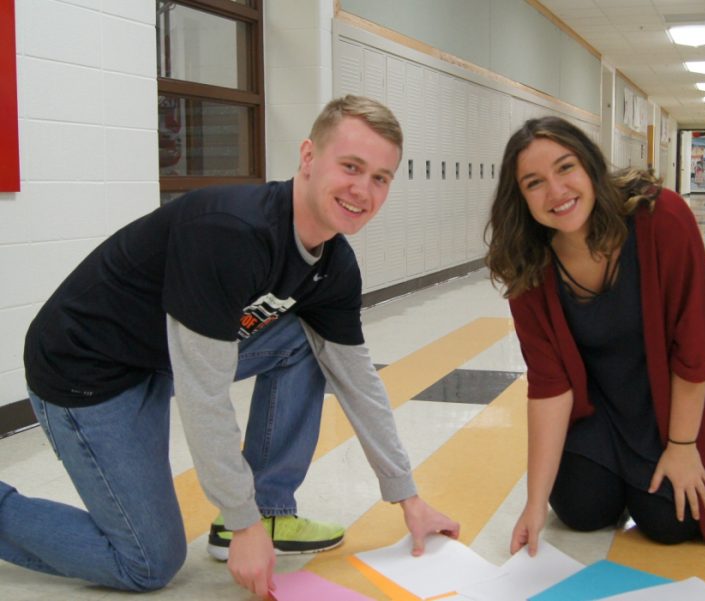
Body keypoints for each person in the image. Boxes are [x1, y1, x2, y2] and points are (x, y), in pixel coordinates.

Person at [0, 95, 459, 597]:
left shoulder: (335, 266)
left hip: (154, 357)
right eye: (351, 166)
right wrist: (243, 525)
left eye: (380, 178)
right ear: (308, 157)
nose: (362, 190)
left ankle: (270, 508)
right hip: (85, 371)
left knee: (308, 342)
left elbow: (358, 382)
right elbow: (205, 394)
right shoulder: (230, 233)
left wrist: (407, 497)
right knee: (149, 562)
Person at [484, 116, 705, 555]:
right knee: (579, 510)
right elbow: (549, 385)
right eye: (534, 183)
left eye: (565, 168)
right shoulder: (529, 265)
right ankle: (624, 476)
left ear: (590, 166)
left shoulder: (661, 218)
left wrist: (682, 448)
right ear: (521, 198)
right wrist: (533, 505)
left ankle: (651, 473)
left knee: (670, 522)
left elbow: (695, 350)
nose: (556, 192)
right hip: (602, 407)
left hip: (677, 401)